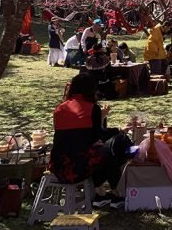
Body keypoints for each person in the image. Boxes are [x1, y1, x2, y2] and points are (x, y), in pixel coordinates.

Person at [49, 74, 131, 208]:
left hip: (59, 163)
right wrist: (119, 130)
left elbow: (72, 134)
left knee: (101, 150)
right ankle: (116, 193)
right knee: (111, 148)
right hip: (79, 166)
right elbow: (97, 136)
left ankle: (100, 192)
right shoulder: (92, 108)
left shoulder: (59, 109)